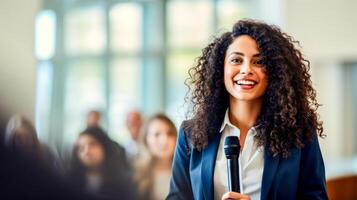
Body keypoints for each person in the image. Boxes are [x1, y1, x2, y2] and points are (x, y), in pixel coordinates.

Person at [167, 19, 328, 200]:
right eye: (236, 60)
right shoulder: (190, 134)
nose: (246, 70)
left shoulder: (300, 133)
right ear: (221, 69)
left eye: (259, 62)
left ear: (275, 72)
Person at [68, 127, 137, 200]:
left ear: (105, 146)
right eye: (81, 148)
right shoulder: (70, 181)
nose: (86, 151)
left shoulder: (124, 181)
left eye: (92, 144)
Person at [135, 113, 177, 200]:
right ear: (146, 140)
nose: (165, 140)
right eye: (157, 134)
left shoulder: (187, 172)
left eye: (170, 133)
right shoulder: (136, 174)